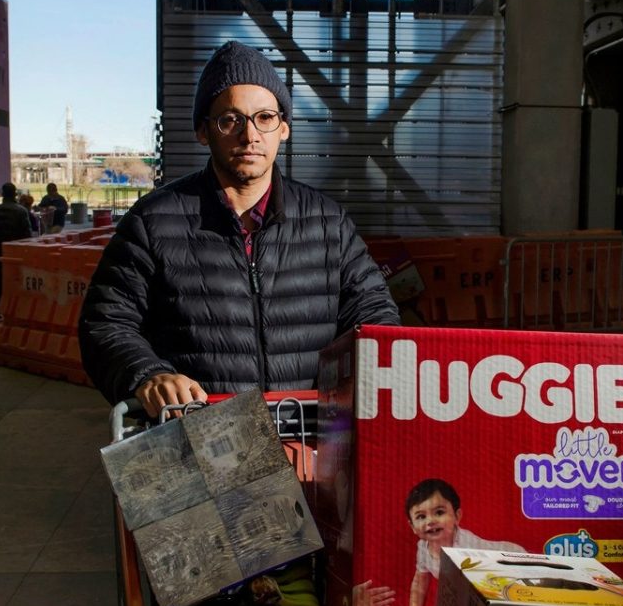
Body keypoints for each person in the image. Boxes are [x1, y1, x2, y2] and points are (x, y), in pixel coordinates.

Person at [79, 40, 398, 416]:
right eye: (230, 120)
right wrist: (148, 374)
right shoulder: (153, 222)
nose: (250, 136)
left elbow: (374, 312)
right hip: (203, 439)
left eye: (265, 117)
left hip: (309, 432)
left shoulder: (328, 222)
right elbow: (106, 322)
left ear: (284, 129)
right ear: (203, 131)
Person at [392, 478, 525, 606]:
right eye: (421, 516)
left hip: (512, 560)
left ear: (457, 516)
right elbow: (420, 580)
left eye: (439, 512)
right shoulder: (423, 548)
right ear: (412, 526)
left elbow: (478, 586)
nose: (430, 521)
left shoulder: (466, 546)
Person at [0, 182, 32, 322]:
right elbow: (27, 234)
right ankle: (16, 309)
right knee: (17, 280)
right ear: (15, 194)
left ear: (3, 194)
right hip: (16, 252)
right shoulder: (21, 211)